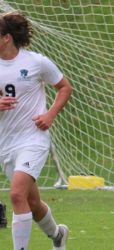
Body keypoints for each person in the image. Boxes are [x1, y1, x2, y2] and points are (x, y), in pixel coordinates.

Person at [0, 11, 72, 250]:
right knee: (32, 203)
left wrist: (49, 114)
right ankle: (57, 235)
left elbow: (64, 87)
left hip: (33, 139)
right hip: (6, 142)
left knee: (16, 196)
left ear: (6, 38)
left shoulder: (36, 62)